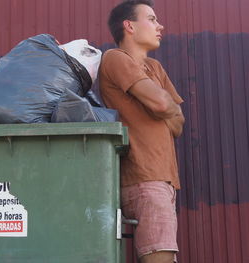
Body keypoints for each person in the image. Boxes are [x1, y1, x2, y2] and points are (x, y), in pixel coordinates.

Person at [99, 1, 185, 262]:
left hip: (163, 179)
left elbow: (179, 123)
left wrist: (163, 108)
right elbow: (162, 104)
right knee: (160, 258)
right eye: (152, 19)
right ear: (129, 26)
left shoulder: (156, 68)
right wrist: (163, 107)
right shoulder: (115, 58)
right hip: (144, 178)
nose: (160, 26)